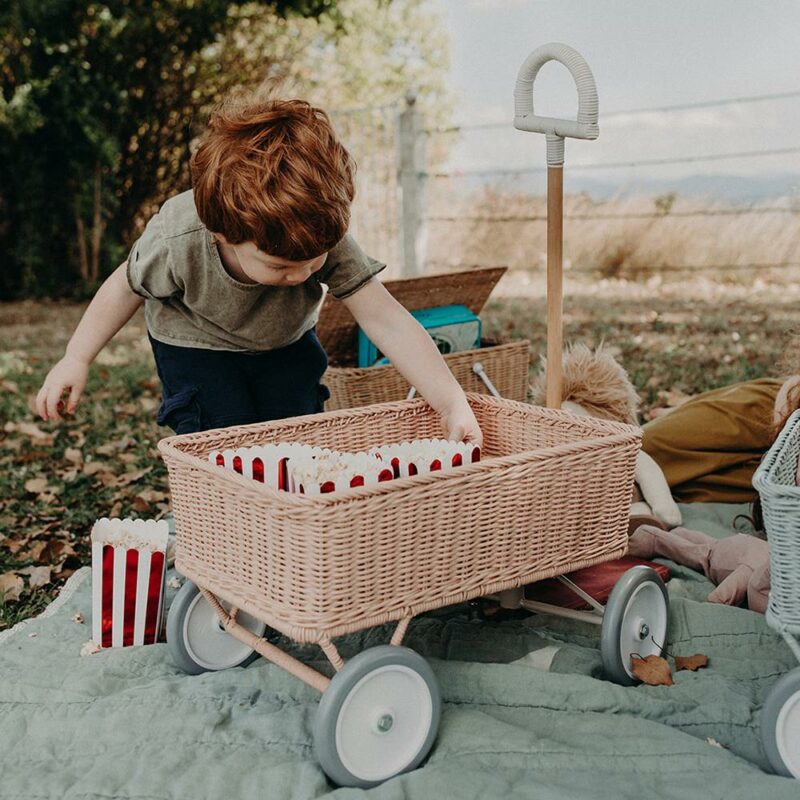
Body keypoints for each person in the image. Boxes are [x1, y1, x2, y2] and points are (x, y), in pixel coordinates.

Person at [35, 96, 482, 446]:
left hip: (284, 342)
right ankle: (226, 532)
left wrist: (450, 401)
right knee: (225, 440)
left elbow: (385, 318)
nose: (305, 272)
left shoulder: (318, 234)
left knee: (299, 438)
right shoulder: (178, 238)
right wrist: (77, 358)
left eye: (315, 261)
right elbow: (124, 287)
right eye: (283, 266)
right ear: (221, 234)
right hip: (197, 345)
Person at [641, 369, 800, 505]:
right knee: (644, 446)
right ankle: (687, 409)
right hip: (775, 412)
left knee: (687, 488)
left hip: (774, 468)